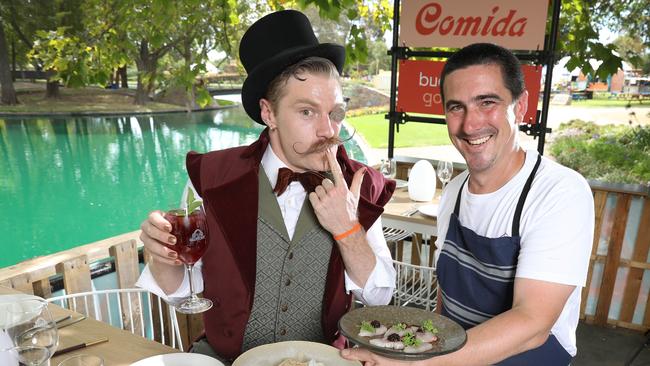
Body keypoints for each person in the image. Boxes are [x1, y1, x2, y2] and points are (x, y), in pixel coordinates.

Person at [135, 9, 396, 364]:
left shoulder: (360, 184)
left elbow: (380, 296)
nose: (328, 130)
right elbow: (183, 293)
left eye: (334, 112)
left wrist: (348, 230)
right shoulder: (212, 178)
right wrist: (163, 253)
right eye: (307, 112)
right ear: (269, 113)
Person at [342, 43, 594, 365]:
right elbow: (445, 301)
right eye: (456, 107)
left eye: (487, 102)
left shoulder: (558, 192)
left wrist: (418, 363)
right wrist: (421, 343)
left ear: (520, 107)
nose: (470, 125)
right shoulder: (454, 192)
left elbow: (533, 324)